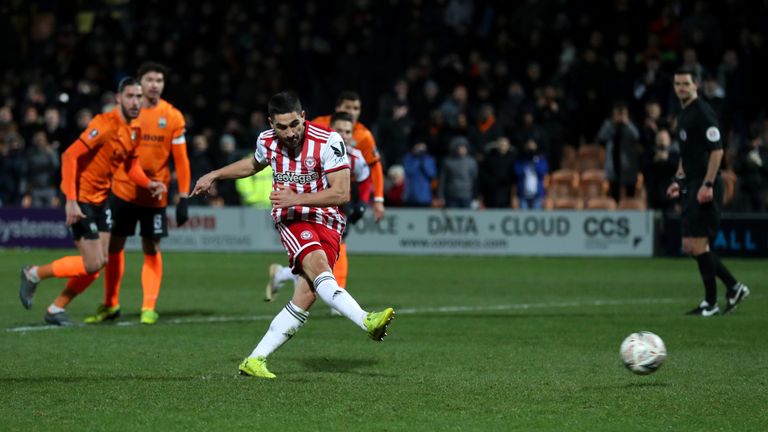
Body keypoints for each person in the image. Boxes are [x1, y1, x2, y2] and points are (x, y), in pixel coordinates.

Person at [191, 91, 394, 379]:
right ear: (271, 123)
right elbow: (254, 163)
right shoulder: (266, 141)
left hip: (328, 219)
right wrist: (215, 174)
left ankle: (255, 359)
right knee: (321, 269)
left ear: (304, 117)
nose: (289, 133)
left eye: (294, 125)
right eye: (281, 127)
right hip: (291, 218)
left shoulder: (329, 141)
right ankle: (366, 320)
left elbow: (341, 192)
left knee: (308, 292)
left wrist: (295, 196)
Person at [18, 77, 166, 326]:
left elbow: (130, 165)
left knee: (99, 264)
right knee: (93, 263)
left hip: (102, 201)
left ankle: (56, 309)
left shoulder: (135, 129)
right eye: (130, 96)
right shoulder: (104, 124)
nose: (135, 101)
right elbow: (69, 156)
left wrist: (147, 183)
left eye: (139, 97)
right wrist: (71, 201)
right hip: (83, 199)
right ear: (119, 98)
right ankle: (33, 273)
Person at [85, 62, 191, 326]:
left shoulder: (173, 116)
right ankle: (111, 304)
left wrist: (184, 196)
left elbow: (182, 160)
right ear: (139, 83)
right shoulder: (125, 114)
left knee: (151, 246)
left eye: (160, 80)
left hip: (155, 196)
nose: (155, 84)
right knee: (113, 247)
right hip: (122, 190)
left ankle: (148, 306)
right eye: (150, 79)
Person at [666, 67, 750, 316]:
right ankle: (724, 293)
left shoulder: (702, 112)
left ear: (696, 86)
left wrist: (708, 184)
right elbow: (687, 154)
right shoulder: (684, 114)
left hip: (705, 185)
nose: (681, 88)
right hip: (692, 184)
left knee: (697, 244)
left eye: (686, 84)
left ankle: (722, 295)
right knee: (691, 246)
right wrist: (678, 180)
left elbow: (717, 150)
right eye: (678, 84)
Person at [264, 111, 372, 303]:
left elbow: (365, 179)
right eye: (339, 130)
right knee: (313, 255)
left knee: (322, 255)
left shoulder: (355, 156)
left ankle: (284, 276)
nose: (344, 135)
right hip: (310, 207)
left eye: (348, 132)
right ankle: (328, 296)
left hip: (335, 208)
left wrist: (363, 203)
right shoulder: (318, 147)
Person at [311, 91, 385, 221]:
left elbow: (373, 166)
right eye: (348, 107)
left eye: (356, 108)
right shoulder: (317, 125)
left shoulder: (364, 136)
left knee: (340, 229)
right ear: (338, 109)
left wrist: (378, 199)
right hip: (314, 184)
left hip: (344, 189)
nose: (352, 112)